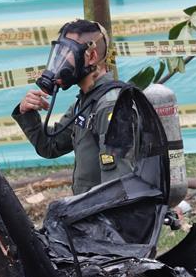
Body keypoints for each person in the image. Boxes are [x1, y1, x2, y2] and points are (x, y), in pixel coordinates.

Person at [12, 19, 136, 195]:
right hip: (90, 211)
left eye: (67, 52)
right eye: (59, 52)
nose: (59, 61)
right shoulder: (86, 103)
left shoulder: (110, 105)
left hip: (106, 216)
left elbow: (118, 186)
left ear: (91, 57)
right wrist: (27, 112)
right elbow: (50, 145)